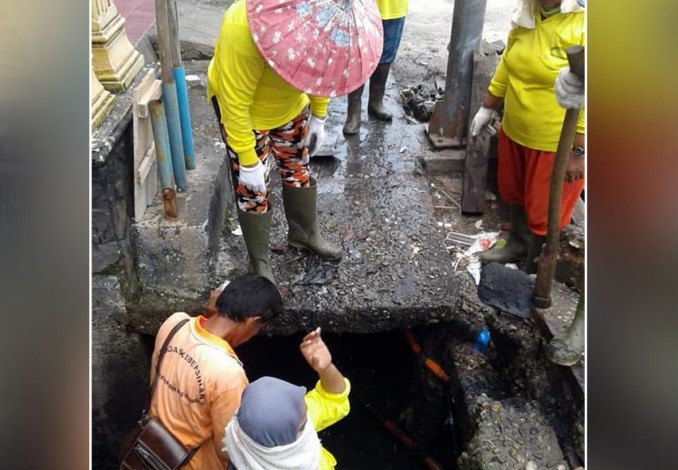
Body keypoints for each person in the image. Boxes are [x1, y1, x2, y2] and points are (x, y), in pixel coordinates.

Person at [207, 0, 383, 285]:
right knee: (253, 190)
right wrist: (247, 159)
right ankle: (259, 260)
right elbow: (233, 103)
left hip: (290, 108)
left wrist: (319, 115)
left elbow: (322, 71)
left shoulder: (325, 25)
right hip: (245, 115)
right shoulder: (243, 25)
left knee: (298, 169)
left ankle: (303, 233)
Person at [469, 0, 585, 273]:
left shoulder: (584, 25)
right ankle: (518, 243)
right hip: (516, 131)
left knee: (546, 212)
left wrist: (579, 150)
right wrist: (488, 106)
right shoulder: (528, 15)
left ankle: (537, 267)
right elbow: (507, 66)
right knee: (516, 193)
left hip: (554, 143)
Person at [148, 274, 283, 470]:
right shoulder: (228, 374)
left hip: (151, 451)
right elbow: (227, 447)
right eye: (259, 328)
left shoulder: (175, 323)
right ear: (252, 321)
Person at [224, 327, 350, 469]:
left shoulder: (253, 433)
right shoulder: (297, 425)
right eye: (303, 421)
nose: (308, 415)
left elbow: (332, 398)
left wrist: (326, 368)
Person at [343, 0, 409, 135]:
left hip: (394, 7)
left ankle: (376, 102)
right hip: (361, 6)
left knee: (386, 55)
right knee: (358, 55)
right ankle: (353, 111)